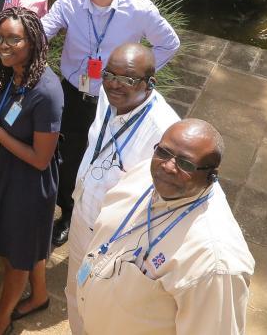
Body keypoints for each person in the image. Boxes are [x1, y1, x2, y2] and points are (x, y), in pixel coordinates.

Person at [41, 0, 180, 246]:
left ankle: (104, 218)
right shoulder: (70, 2)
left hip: (114, 99)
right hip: (74, 93)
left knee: (107, 158)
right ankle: (68, 213)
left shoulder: (139, 10)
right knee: (67, 155)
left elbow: (169, 44)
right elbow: (43, 31)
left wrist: (136, 81)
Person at [77, 119, 254, 335]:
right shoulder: (146, 173)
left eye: (185, 164)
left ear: (211, 176)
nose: (168, 166)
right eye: (163, 152)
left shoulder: (213, 263)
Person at [64, 43, 180, 334]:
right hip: (83, 216)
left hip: (116, 239)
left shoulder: (165, 130)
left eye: (128, 79)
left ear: (150, 83)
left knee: (106, 311)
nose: (114, 84)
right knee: (76, 291)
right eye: (109, 74)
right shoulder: (107, 94)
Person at [0, 7, 63, 335]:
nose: (3, 45)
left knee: (17, 256)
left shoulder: (47, 92)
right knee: (31, 244)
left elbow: (40, 158)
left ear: (33, 41)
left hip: (30, 185)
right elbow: (7, 118)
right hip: (8, 170)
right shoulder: (14, 73)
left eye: (14, 39)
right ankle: (38, 296)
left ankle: (1, 318)